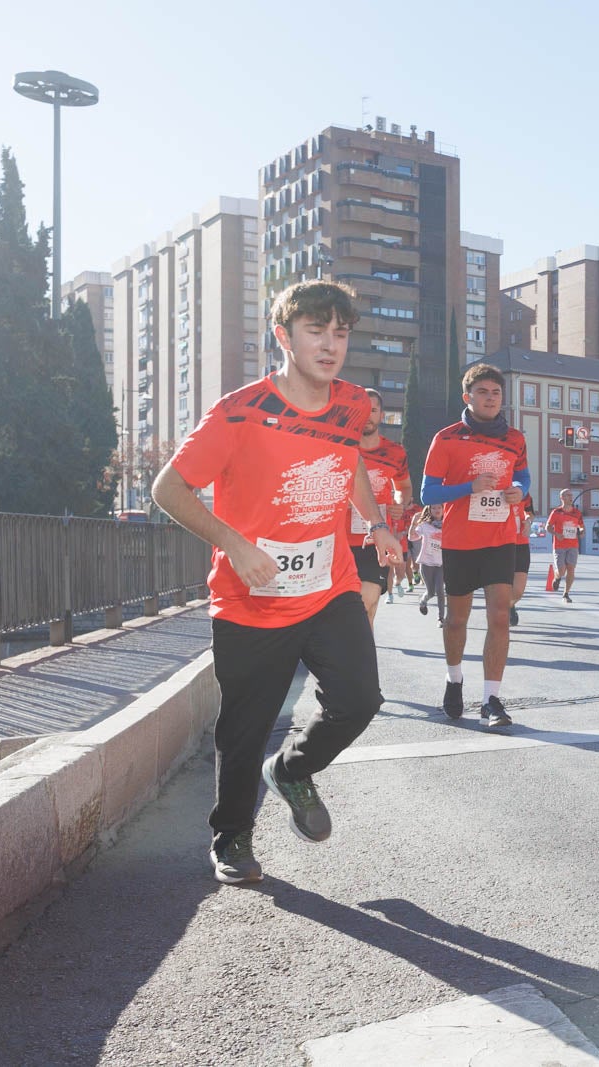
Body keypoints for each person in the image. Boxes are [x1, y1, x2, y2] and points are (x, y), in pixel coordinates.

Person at [150, 280, 402, 885]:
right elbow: (168, 488)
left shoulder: (349, 407)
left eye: (341, 333)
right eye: (317, 330)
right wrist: (234, 544)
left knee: (360, 699)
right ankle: (232, 837)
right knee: (245, 727)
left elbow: (351, 466)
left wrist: (377, 523)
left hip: (327, 585)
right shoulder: (239, 411)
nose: (331, 344)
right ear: (283, 336)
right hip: (250, 599)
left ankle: (292, 769)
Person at [421, 364, 530, 730]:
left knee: (500, 615)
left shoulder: (515, 438)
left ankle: (491, 700)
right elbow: (428, 493)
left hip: (500, 539)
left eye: (496, 393)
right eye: (482, 392)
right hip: (460, 542)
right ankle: (455, 680)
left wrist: (522, 490)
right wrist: (468, 487)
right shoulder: (447, 438)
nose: (490, 398)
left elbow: (524, 474)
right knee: (456, 620)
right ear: (468, 397)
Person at [345, 389, 410, 623]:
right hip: (339, 543)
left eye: (372, 410)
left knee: (365, 604)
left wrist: (400, 504)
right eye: (361, 410)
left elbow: (404, 487)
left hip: (376, 541)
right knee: (356, 613)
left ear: (381, 415)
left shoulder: (395, 452)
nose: (367, 415)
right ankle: (356, 658)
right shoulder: (341, 447)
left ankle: (360, 658)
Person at [410, 503, 446, 624]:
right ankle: (423, 601)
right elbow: (412, 537)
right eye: (434, 508)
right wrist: (413, 523)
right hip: (426, 563)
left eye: (439, 508)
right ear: (429, 510)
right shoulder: (425, 526)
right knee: (431, 592)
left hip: (441, 564)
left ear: (443, 509)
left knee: (440, 590)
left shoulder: (448, 524)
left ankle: (441, 618)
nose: (437, 510)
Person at [547, 489, 584, 603]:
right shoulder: (556, 512)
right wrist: (556, 534)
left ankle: (566, 594)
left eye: (571, 495)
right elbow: (548, 527)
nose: (571, 497)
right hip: (559, 545)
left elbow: (581, 526)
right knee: (562, 571)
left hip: (573, 545)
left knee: (571, 569)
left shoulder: (577, 513)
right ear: (562, 498)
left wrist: (581, 532)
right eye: (568, 495)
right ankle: (557, 577)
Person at [510, 496, 533, 626]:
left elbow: (530, 513)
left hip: (520, 544)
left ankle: (509, 605)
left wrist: (528, 522)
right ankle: (500, 622)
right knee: (502, 587)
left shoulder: (524, 491)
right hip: (498, 544)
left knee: (518, 591)